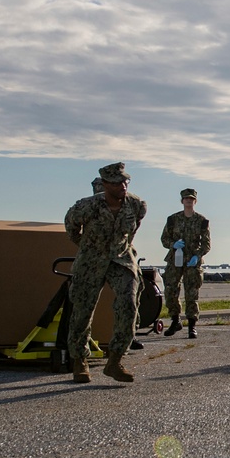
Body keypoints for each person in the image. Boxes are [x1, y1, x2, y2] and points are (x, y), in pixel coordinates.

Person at [64, 162, 147, 383]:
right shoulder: (87, 206)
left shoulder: (136, 205)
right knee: (82, 310)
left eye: (126, 182)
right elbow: (71, 225)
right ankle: (79, 359)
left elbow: (134, 228)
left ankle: (115, 360)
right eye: (118, 183)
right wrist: (85, 246)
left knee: (128, 304)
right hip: (91, 260)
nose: (124, 186)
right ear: (106, 185)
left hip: (121, 259)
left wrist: (125, 247)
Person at [90, 176, 146, 351]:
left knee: (131, 296)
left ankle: (130, 336)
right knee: (86, 303)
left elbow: (132, 230)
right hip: (96, 258)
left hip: (122, 256)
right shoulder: (92, 208)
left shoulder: (129, 206)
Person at [160, 188, 211, 338]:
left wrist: (198, 255)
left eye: (191, 199)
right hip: (175, 259)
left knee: (191, 293)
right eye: (186, 199)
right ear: (182, 201)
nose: (188, 201)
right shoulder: (173, 219)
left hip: (192, 261)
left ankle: (192, 326)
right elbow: (164, 239)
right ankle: (175, 320)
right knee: (170, 291)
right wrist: (173, 244)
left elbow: (206, 244)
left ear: (195, 201)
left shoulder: (202, 221)